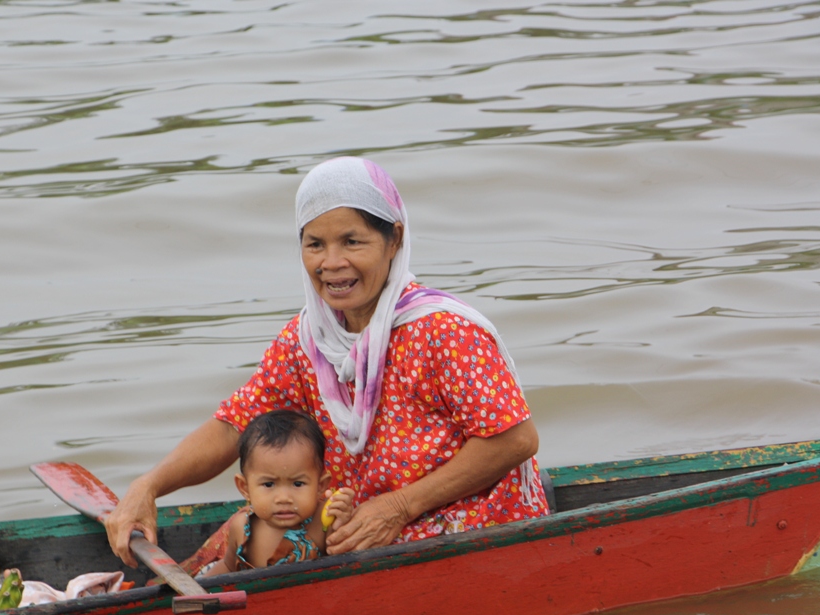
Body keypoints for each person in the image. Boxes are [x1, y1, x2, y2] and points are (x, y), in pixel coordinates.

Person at [106, 156, 548, 570]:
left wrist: (399, 507)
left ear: (394, 239)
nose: (332, 264)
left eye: (352, 242)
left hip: (461, 527)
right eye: (315, 244)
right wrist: (148, 486)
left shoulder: (443, 331)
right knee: (238, 541)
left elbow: (514, 439)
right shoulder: (307, 340)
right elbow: (233, 425)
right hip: (348, 527)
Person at [201, 410, 354, 575]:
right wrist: (196, 593)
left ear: (320, 485)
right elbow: (228, 567)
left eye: (298, 484)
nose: (284, 498)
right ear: (245, 488)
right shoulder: (241, 526)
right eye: (268, 484)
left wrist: (344, 519)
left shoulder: (323, 522)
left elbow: (347, 560)